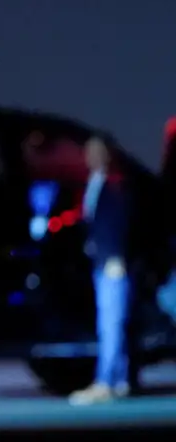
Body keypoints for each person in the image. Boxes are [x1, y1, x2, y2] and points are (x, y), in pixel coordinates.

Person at [69, 137, 137, 405]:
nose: (91, 156)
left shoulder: (114, 185)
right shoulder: (94, 184)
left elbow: (118, 223)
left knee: (110, 324)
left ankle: (106, 382)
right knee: (112, 324)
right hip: (101, 262)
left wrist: (115, 257)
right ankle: (119, 380)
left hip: (111, 264)